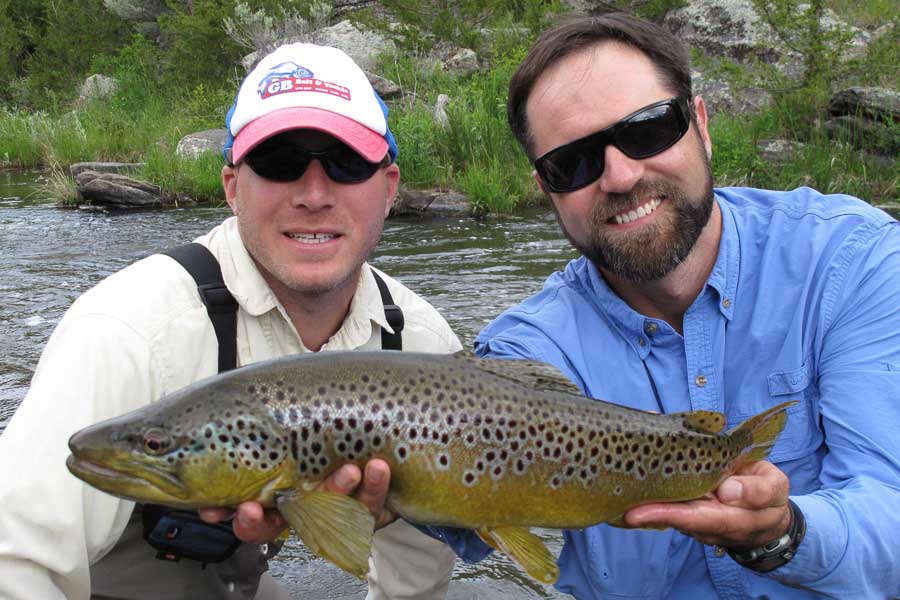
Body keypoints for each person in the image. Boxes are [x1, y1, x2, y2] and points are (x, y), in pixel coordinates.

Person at [249, 12, 900, 599]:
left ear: (699, 123)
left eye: (647, 130)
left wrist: (782, 532)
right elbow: (476, 527)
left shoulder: (851, 262)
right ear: (546, 189)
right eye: (574, 162)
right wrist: (389, 501)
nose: (619, 175)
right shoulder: (526, 350)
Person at [0, 42, 458, 599]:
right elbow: (14, 560)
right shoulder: (128, 331)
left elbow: (420, 580)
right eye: (280, 163)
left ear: (387, 189)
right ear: (232, 187)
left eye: (345, 165)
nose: (314, 194)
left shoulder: (420, 342)